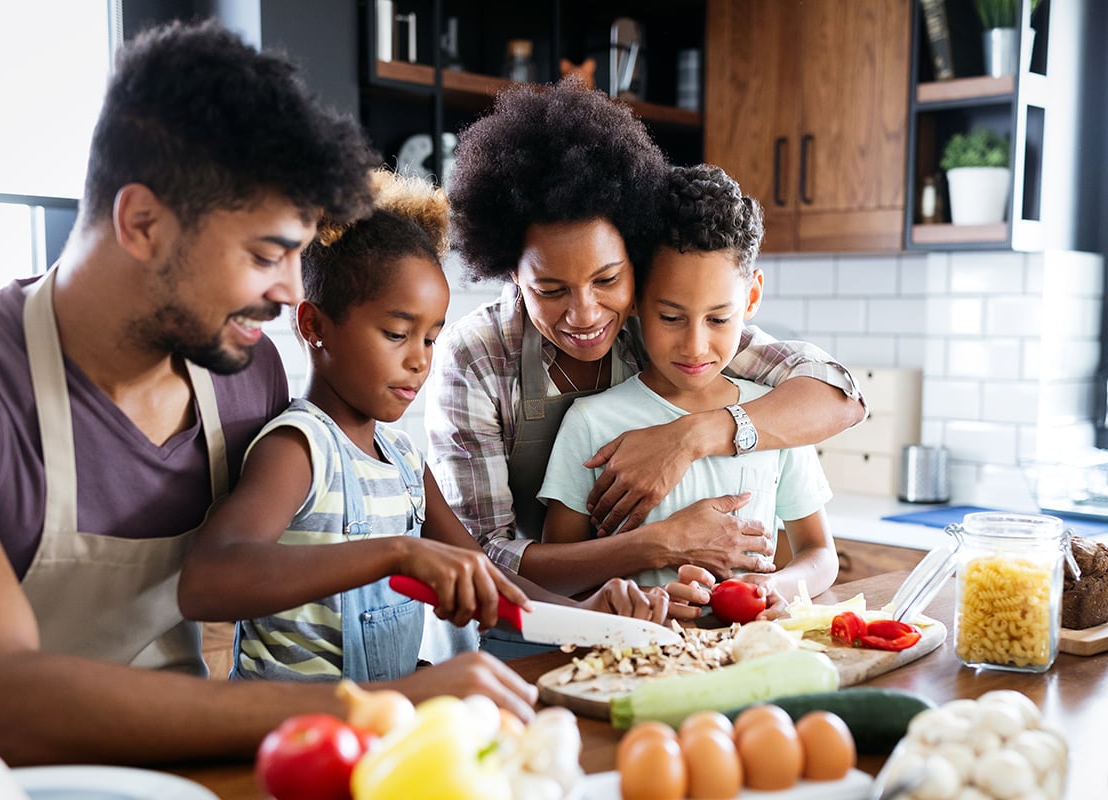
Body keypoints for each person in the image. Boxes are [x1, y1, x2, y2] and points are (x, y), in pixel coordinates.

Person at [0, 20, 536, 780]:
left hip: (183, 775)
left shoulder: (245, 376)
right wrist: (377, 705)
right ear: (141, 222)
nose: (288, 291)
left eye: (300, 255)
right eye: (268, 254)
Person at [177, 170, 671, 684]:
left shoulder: (405, 462)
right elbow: (207, 582)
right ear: (314, 326)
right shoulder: (299, 449)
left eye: (431, 338)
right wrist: (397, 553)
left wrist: (589, 614)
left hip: (380, 729)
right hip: (290, 736)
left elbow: (488, 578)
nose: (419, 361)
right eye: (397, 333)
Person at [425, 78, 865, 604]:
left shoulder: (663, 323)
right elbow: (484, 558)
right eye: (550, 288)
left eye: (607, 280)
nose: (585, 314)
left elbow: (839, 396)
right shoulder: (475, 359)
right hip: (506, 633)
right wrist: (660, 544)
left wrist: (688, 438)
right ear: (511, 275)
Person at [540, 164, 839, 618]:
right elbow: (559, 577)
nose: (696, 345)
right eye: (671, 317)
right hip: (635, 659)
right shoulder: (591, 422)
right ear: (636, 298)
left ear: (752, 298)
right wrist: (630, 601)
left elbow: (819, 554)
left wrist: (779, 585)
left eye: (719, 319)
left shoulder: (772, 416)